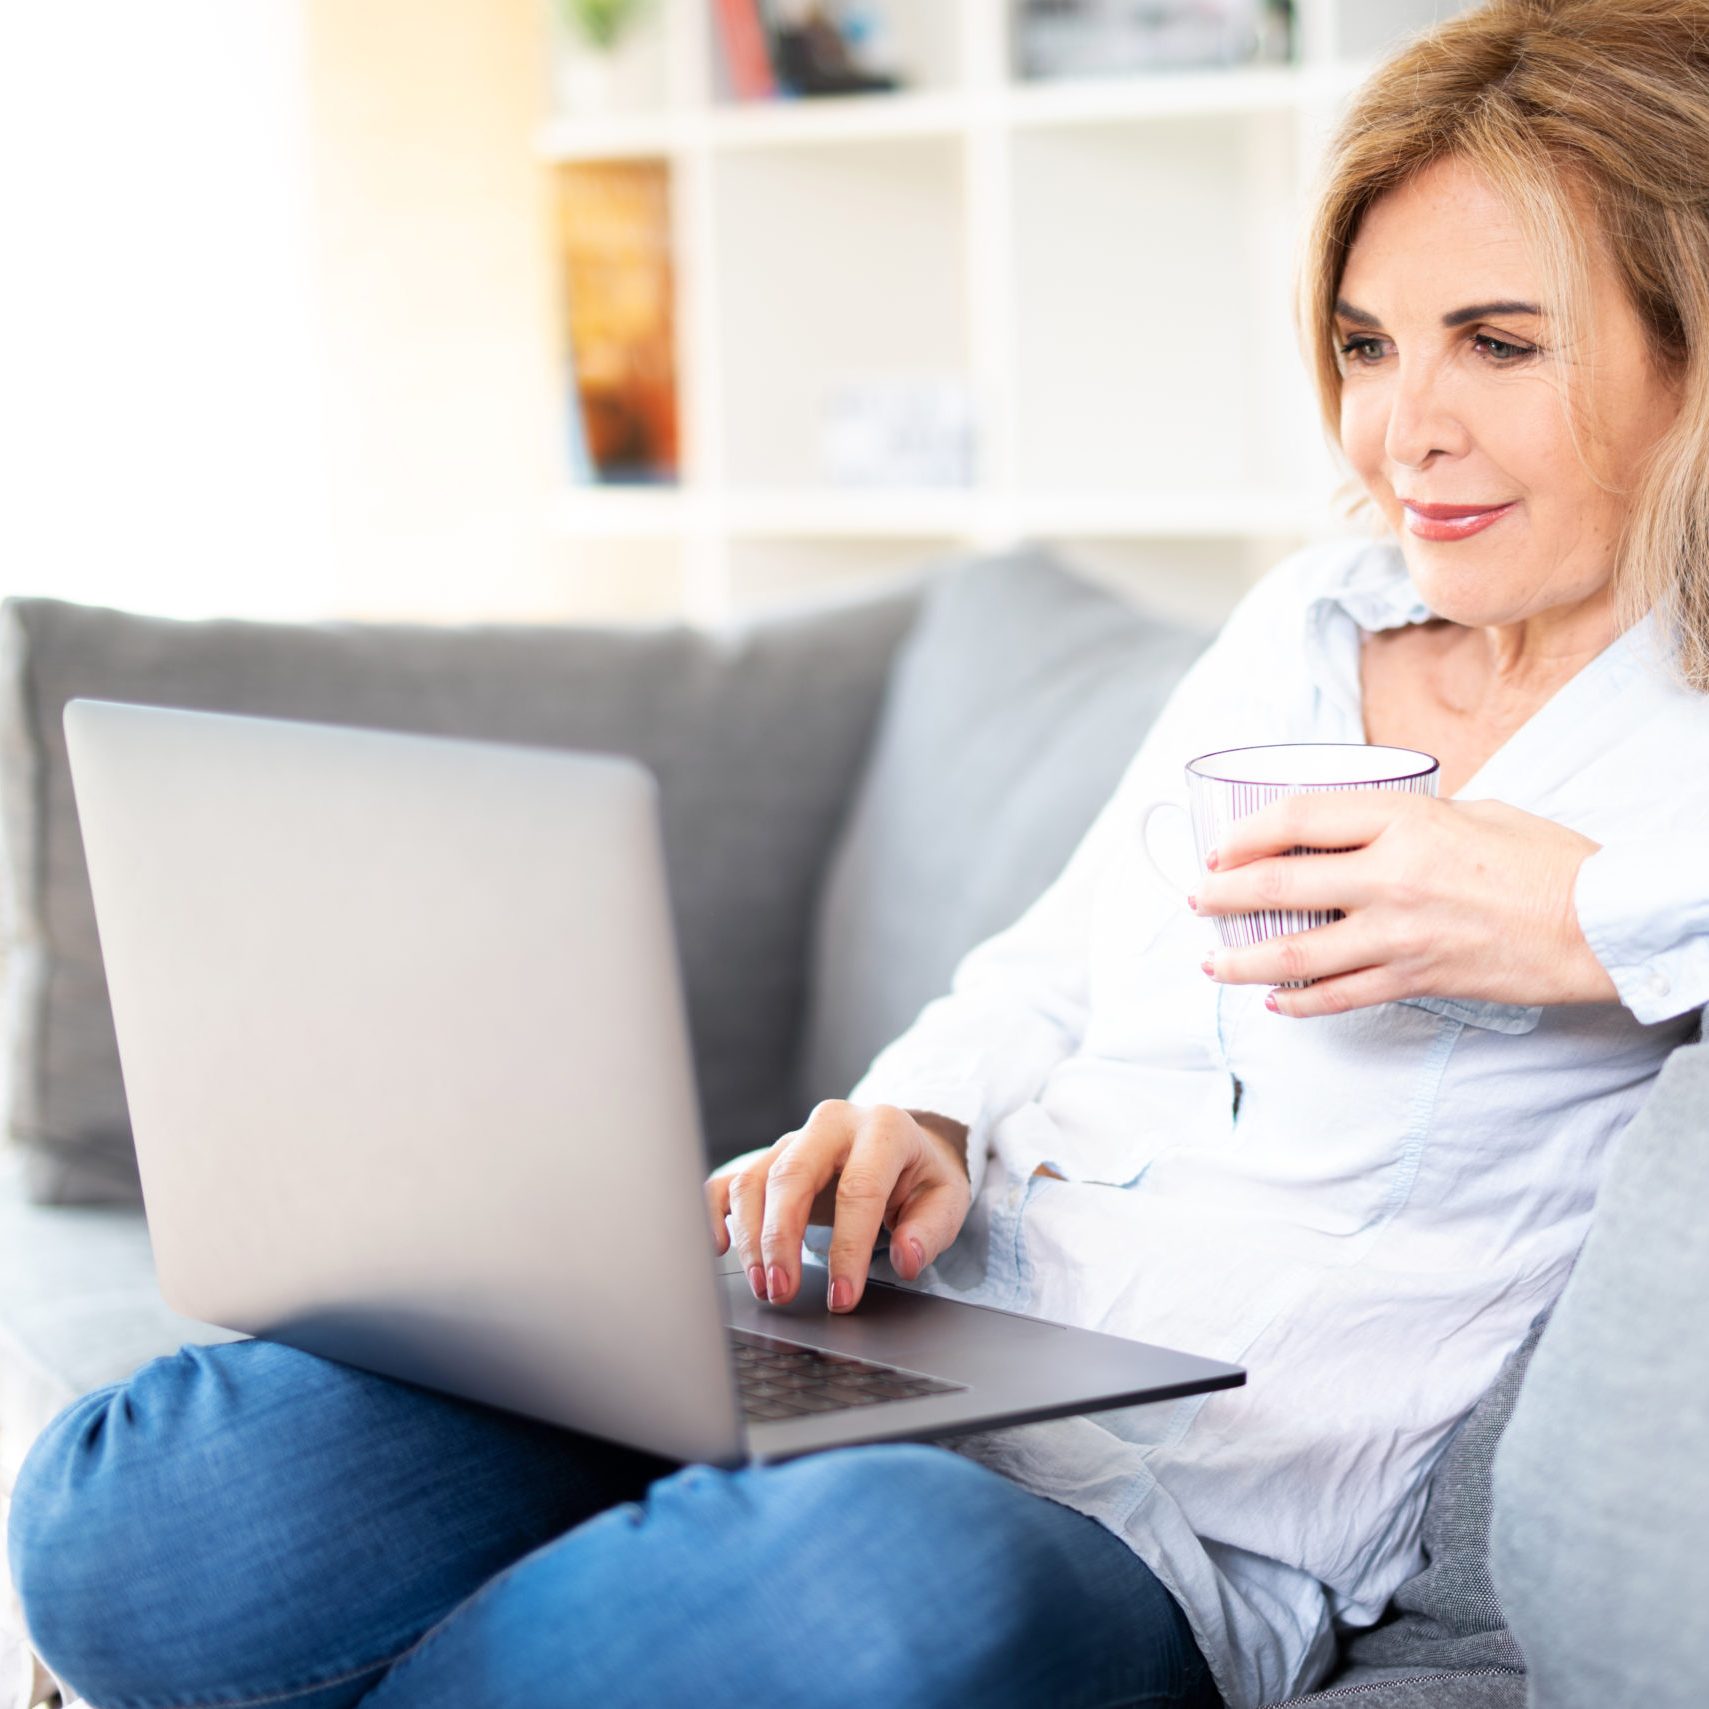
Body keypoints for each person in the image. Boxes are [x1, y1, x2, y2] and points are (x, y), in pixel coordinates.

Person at [10, 2, 1709, 1705]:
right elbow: (1053, 962)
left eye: (1498, 342)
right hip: (891, 1340)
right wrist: (922, 1111)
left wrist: (1572, 907)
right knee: (145, 1514)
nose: (1400, 433)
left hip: (1169, 1514)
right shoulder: (1304, 620)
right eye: (1363, 345)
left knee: (862, 1598)